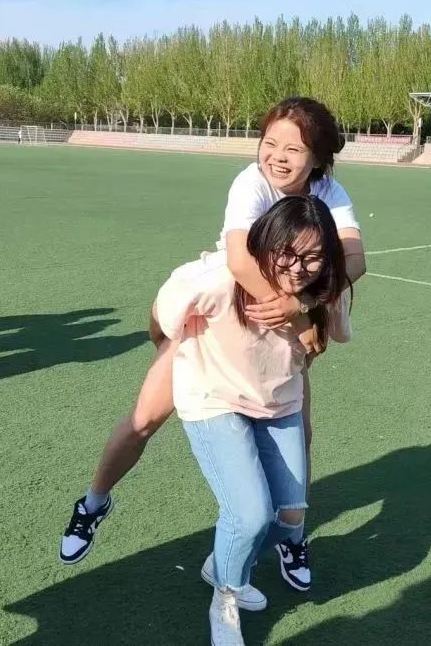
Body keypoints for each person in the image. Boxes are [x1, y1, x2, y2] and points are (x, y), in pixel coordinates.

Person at [59, 97, 367, 591]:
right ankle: (93, 503)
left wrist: (305, 304)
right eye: (270, 143)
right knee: (143, 421)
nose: (278, 156)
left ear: (318, 157)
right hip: (221, 316)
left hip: (282, 324)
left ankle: (292, 536)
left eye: (294, 149)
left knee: (300, 433)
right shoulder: (251, 183)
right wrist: (294, 312)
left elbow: (355, 261)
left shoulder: (329, 191)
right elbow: (240, 262)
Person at [162, 196, 351, 644]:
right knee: (249, 515)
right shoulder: (217, 280)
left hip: (278, 403)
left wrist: (306, 307)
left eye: (313, 256)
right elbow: (164, 315)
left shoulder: (321, 290)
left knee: (289, 518)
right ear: (265, 243)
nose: (298, 267)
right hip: (213, 399)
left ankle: (221, 563)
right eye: (288, 252)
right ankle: (225, 600)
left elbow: (336, 334)